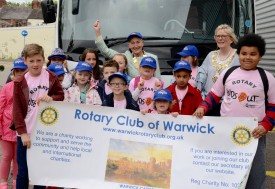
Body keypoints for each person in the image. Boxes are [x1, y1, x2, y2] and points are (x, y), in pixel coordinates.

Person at [193, 33, 275, 189]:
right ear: (239, 54)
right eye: (244, 53)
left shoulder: (267, 78)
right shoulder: (228, 73)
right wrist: (203, 107)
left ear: (260, 56)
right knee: (227, 172)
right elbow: (213, 95)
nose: (247, 57)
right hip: (227, 132)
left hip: (254, 134)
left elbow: (273, 106)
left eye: (253, 54)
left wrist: (265, 125)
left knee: (255, 175)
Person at [12, 44, 64, 189]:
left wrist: (52, 98)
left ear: (43, 60)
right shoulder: (20, 82)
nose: (35, 64)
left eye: (38, 60)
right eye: (32, 61)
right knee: (23, 172)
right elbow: (16, 110)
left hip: (43, 133)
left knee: (40, 173)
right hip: (25, 133)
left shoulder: (51, 77)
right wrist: (22, 133)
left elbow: (61, 95)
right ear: (25, 60)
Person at [93, 20, 161, 78]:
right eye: (132, 43)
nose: (135, 45)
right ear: (129, 45)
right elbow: (106, 51)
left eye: (138, 42)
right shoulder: (125, 57)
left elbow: (158, 80)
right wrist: (97, 32)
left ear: (142, 43)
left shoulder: (153, 58)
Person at [0, 58, 27, 189]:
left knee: (18, 158)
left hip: (20, 129)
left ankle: (17, 181)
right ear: (13, 72)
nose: (20, 73)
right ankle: (3, 182)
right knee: (6, 156)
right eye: (17, 71)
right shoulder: (6, 87)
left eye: (23, 70)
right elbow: (1, 107)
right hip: (6, 128)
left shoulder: (28, 87)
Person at [196, 24, 239, 98]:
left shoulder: (238, 55)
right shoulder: (210, 55)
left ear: (231, 39)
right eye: (217, 36)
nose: (220, 38)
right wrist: (199, 90)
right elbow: (202, 74)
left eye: (223, 36)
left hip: (228, 101)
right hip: (209, 100)